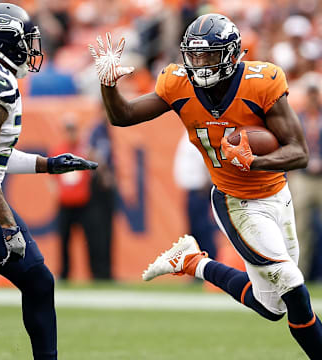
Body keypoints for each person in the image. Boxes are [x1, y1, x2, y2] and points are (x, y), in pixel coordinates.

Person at [89, 14, 322, 359]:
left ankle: (192, 261)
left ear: (230, 55)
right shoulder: (177, 83)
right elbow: (122, 116)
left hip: (277, 195)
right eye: (194, 56)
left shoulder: (262, 81)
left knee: (273, 307)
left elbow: (298, 152)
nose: (200, 64)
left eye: (209, 55)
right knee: (291, 282)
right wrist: (107, 84)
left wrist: (254, 161)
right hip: (235, 201)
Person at [0, 3, 97, 360]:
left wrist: (48, 165)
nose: (30, 48)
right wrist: (9, 226)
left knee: (38, 281)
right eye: (24, 40)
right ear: (4, 41)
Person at [48, 116, 94, 281]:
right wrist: (57, 193)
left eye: (73, 129)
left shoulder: (84, 150)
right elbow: (51, 178)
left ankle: (93, 273)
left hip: (83, 203)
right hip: (65, 203)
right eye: (68, 130)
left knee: (89, 240)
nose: (71, 133)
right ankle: (65, 273)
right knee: (64, 241)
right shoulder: (58, 150)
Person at [289, 83, 322, 280]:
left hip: (320, 178)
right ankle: (299, 274)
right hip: (302, 176)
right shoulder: (296, 119)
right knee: (300, 229)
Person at [173, 131, 217, 260]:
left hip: (199, 189)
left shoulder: (198, 134)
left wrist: (206, 181)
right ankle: (198, 264)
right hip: (193, 190)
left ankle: (208, 263)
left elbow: (205, 158)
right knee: (195, 231)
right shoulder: (190, 134)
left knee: (202, 230)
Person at [87, 112, 116, 280]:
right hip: (98, 184)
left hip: (108, 184)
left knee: (107, 230)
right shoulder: (97, 130)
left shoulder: (107, 130)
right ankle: (99, 271)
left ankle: (106, 271)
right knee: (98, 229)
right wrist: (104, 172)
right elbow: (91, 152)